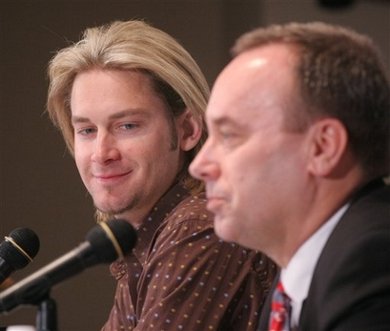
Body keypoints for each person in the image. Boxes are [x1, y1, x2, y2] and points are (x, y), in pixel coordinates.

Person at [46, 20, 276, 330]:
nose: (102, 153)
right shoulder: (145, 234)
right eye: (87, 130)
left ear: (188, 130)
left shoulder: (199, 228)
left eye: (127, 126)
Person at [190, 21, 390, 331]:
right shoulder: (293, 285)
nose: (199, 165)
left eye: (228, 136)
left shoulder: (371, 262)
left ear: (322, 148)